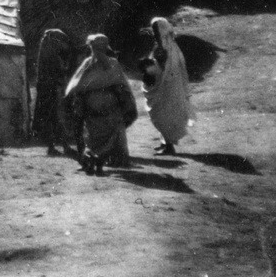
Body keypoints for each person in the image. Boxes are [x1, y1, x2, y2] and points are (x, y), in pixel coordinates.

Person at [63, 34, 138, 175]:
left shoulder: (104, 64)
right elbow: (77, 84)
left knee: (101, 138)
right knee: (96, 137)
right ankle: (93, 163)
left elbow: (121, 86)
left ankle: (95, 163)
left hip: (103, 109)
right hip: (98, 109)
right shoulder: (91, 64)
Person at [141, 16, 192, 154]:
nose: (154, 34)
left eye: (156, 31)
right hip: (168, 86)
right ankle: (165, 142)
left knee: (163, 113)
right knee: (164, 112)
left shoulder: (164, 49)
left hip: (166, 87)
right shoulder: (171, 47)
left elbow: (162, 69)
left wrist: (149, 67)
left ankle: (169, 146)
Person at [30, 29, 78, 157]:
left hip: (45, 89)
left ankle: (54, 147)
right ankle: (64, 147)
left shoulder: (44, 55)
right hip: (53, 90)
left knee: (50, 119)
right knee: (57, 118)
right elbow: (61, 71)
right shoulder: (53, 56)